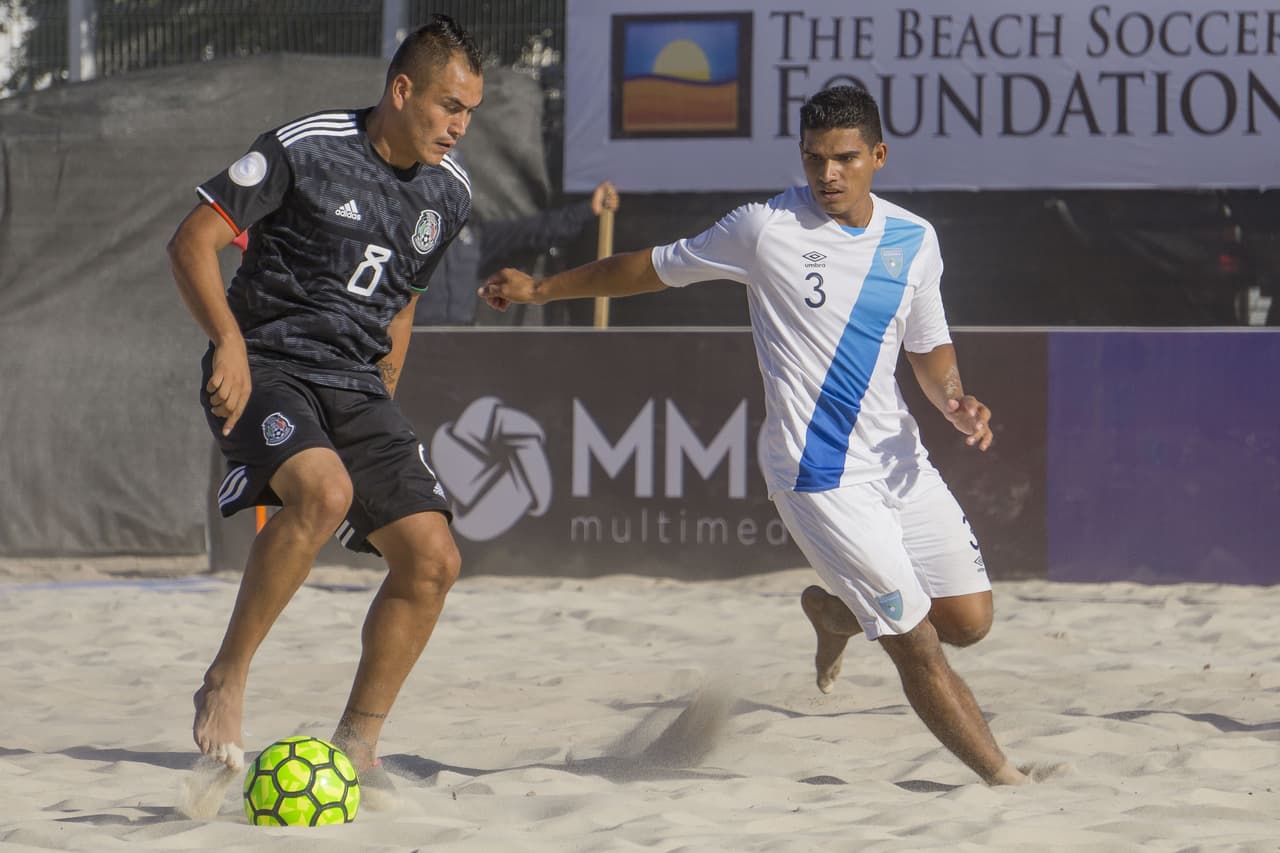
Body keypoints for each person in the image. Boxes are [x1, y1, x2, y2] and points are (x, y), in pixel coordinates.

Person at [481, 86, 1033, 786]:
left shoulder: (914, 239)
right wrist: (540, 290)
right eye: (813, 159)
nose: (826, 174)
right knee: (916, 642)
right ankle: (1006, 781)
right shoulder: (763, 227)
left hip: (900, 463)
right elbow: (645, 267)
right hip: (817, 474)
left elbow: (929, 348)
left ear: (879, 157)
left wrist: (955, 399)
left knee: (967, 621)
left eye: (844, 158)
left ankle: (833, 613)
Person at [166, 15, 483, 796]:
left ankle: (357, 745)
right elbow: (191, 242)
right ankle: (227, 675)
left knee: (435, 559)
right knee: (323, 491)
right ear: (402, 90)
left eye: (471, 111)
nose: (458, 126)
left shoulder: (451, 192)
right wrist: (229, 341)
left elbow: (402, 302)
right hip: (267, 362)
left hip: (356, 384)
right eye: (448, 105)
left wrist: (386, 401)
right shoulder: (306, 145)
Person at [416, 174, 620, 325]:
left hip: (462, 342)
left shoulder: (471, 235)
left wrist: (587, 210)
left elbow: (532, 231)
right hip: (410, 341)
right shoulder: (401, 230)